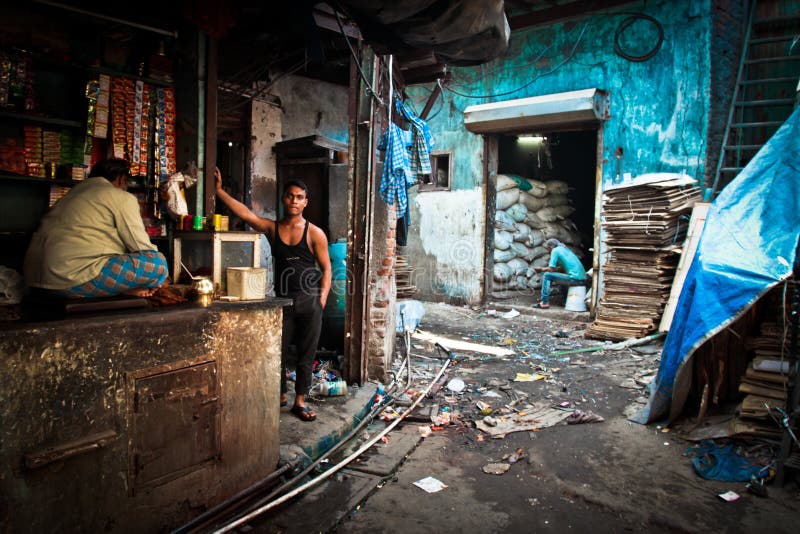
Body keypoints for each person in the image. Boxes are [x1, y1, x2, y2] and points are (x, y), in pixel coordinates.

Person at [215, 168, 331, 422]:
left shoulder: (314, 233)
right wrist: (220, 192)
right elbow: (246, 214)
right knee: (276, 351)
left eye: (300, 197)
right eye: (290, 196)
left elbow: (326, 268)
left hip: (309, 299)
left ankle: (299, 402)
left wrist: (321, 299)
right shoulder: (272, 228)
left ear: (305, 202)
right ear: (284, 199)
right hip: (282, 301)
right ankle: (280, 394)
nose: (294, 201)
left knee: (306, 353)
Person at [24, 158, 168, 299]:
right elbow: (143, 248)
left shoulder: (70, 196)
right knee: (157, 263)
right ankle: (128, 288)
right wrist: (158, 280)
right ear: (120, 179)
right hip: (68, 281)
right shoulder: (121, 196)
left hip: (34, 280)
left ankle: (123, 289)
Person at [534, 238, 587, 309]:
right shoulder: (565, 250)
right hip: (582, 280)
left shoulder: (555, 250)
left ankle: (544, 302)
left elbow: (550, 269)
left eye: (548, 249)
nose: (548, 252)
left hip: (575, 279)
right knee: (561, 276)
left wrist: (541, 269)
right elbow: (561, 269)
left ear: (550, 247)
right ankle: (565, 301)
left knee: (547, 275)